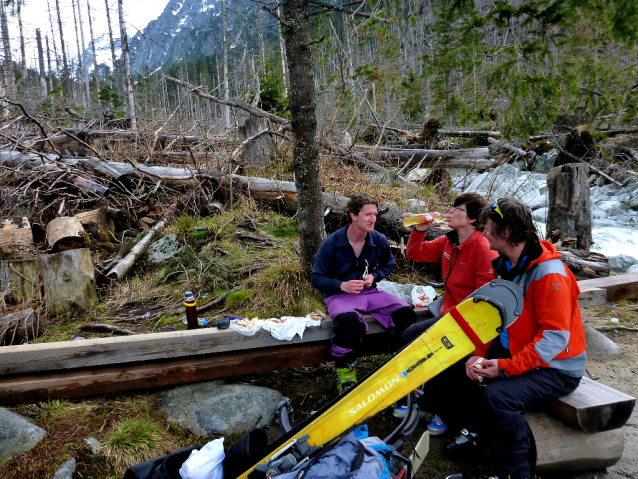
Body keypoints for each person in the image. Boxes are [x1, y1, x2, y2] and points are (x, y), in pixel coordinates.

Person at [438, 197, 587, 479]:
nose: (483, 234)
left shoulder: (549, 275)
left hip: (556, 367)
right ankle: (483, 439)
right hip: (521, 352)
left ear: (505, 233)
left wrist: (507, 367)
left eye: (488, 228)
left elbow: (553, 338)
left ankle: (515, 473)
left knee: (499, 397)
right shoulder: (508, 265)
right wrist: (477, 354)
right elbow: (492, 319)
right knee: (462, 367)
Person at [395, 193, 498, 433]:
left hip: (471, 324)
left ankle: (448, 413)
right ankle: (427, 402)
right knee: (409, 336)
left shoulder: (484, 249)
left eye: (457, 209)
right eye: (451, 208)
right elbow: (415, 254)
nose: (450, 212)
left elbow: (485, 301)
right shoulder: (448, 241)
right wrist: (419, 230)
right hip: (449, 316)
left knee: (449, 354)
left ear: (473, 219)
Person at [310, 193, 417, 394]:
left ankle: (396, 364)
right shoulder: (332, 243)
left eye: (375, 214)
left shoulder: (379, 239)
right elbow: (316, 278)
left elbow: (388, 265)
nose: (373, 219)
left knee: (407, 314)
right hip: (339, 295)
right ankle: (345, 371)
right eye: (368, 214)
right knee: (349, 322)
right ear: (353, 215)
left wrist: (374, 276)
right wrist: (342, 286)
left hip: (370, 294)